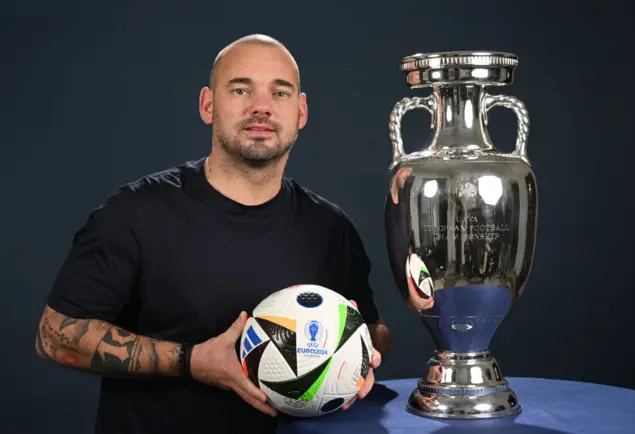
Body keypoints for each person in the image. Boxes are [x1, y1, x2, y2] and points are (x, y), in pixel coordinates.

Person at [35, 33, 391, 434]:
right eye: (241, 89)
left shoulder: (331, 228)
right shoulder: (135, 213)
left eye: (280, 93)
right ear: (208, 105)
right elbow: (54, 338)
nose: (261, 107)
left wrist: (359, 357)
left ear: (301, 112)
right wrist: (192, 361)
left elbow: (374, 330)